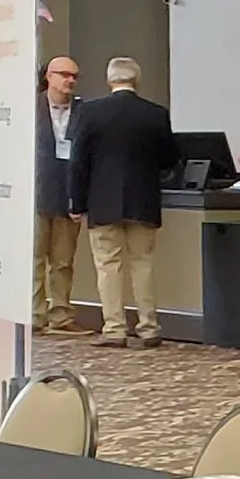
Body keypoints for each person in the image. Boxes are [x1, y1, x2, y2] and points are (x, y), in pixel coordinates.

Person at [69, 54, 181, 348]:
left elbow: (78, 162)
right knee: (143, 264)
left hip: (102, 202)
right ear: (137, 80)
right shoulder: (156, 113)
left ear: (109, 80)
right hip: (143, 200)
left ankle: (115, 329)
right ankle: (149, 327)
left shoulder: (90, 113)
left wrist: (76, 203)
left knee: (108, 266)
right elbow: (170, 158)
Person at [33, 53, 83, 332]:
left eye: (74, 76)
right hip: (36, 193)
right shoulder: (30, 108)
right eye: (64, 74)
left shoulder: (82, 110)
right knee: (35, 258)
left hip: (68, 193)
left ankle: (61, 314)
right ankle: (35, 315)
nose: (70, 80)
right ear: (48, 77)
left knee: (63, 260)